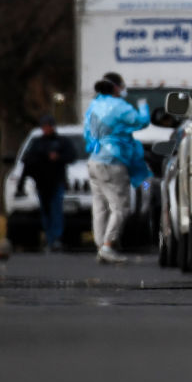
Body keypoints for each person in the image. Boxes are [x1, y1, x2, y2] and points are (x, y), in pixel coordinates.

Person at [83, 73, 150, 264]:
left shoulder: (94, 106)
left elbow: (87, 131)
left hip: (94, 160)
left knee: (99, 206)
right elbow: (141, 122)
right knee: (120, 207)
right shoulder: (120, 107)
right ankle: (108, 246)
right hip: (113, 160)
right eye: (122, 86)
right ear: (116, 88)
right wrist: (144, 106)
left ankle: (100, 245)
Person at [17, 115, 76, 252]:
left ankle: (56, 238)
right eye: (44, 126)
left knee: (56, 210)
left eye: (49, 126)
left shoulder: (61, 142)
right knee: (46, 211)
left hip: (56, 181)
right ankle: (49, 238)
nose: (47, 129)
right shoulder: (37, 143)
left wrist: (58, 158)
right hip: (41, 182)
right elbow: (28, 162)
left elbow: (71, 156)